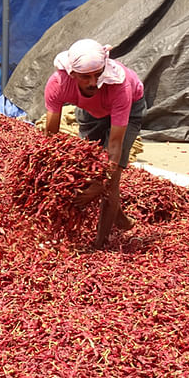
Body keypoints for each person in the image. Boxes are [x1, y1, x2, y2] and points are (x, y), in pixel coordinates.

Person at [43, 38, 144, 249]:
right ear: (72, 74)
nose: (93, 82)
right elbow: (50, 137)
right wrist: (51, 174)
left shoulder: (120, 86)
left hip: (128, 109)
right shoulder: (58, 84)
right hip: (91, 110)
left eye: (98, 75)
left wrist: (100, 185)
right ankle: (121, 219)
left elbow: (115, 146)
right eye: (85, 77)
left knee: (110, 178)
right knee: (86, 169)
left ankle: (100, 244)